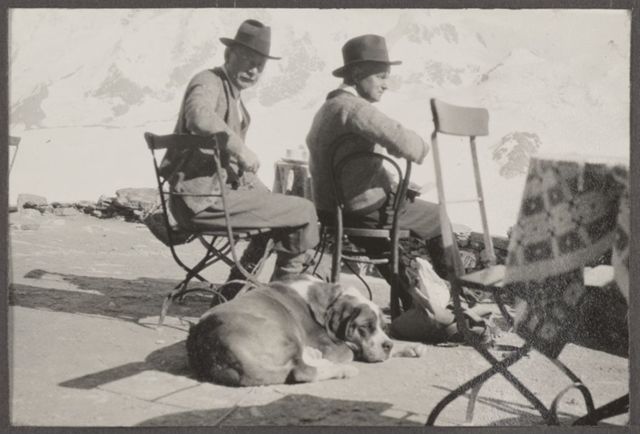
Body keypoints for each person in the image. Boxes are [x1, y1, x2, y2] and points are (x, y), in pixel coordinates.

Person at [306, 34, 486, 342]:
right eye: (381, 76)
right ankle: (459, 297)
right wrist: (404, 153)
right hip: (362, 210)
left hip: (334, 208)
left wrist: (389, 180)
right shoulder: (356, 109)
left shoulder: (329, 107)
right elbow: (413, 147)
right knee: (437, 216)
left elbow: (352, 165)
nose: (386, 84)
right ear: (357, 74)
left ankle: (422, 300)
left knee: (406, 221)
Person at [159, 19, 319, 303]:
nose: (253, 70)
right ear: (228, 55)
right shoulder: (207, 81)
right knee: (304, 210)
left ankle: (232, 295)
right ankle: (283, 301)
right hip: (201, 201)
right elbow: (199, 117)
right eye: (247, 60)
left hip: (210, 197)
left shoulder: (233, 95)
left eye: (260, 65)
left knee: (282, 213)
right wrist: (239, 148)